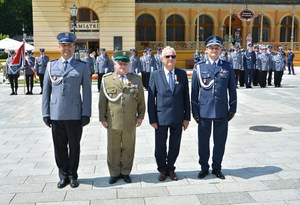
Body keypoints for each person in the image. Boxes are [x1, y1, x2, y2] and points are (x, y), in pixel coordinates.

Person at [42, 32, 92, 189]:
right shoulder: (51, 66)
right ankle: (63, 175)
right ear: (59, 47)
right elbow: (46, 92)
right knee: (59, 147)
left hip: (75, 114)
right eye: (63, 45)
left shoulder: (82, 66)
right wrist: (45, 113)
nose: (66, 48)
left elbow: (87, 92)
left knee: (74, 146)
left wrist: (86, 113)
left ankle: (73, 175)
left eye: (69, 45)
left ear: (74, 47)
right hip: (56, 114)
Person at [191, 35, 237, 180]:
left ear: (221, 50)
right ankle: (204, 167)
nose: (214, 51)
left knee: (220, 141)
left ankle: (217, 167)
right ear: (206, 50)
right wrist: (194, 111)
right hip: (204, 111)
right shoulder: (199, 67)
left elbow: (232, 89)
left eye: (217, 48)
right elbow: (194, 91)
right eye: (211, 48)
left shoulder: (227, 67)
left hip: (221, 110)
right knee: (203, 142)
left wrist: (233, 108)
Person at [99, 50, 145, 184]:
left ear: (129, 65)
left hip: (130, 120)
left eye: (125, 64)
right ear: (114, 64)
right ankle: (114, 173)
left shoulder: (136, 79)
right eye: (120, 64)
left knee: (128, 146)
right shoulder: (107, 79)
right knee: (113, 148)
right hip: (113, 120)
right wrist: (102, 118)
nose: (123, 66)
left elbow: (141, 100)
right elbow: (102, 101)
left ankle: (125, 172)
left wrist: (140, 116)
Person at [148, 46, 190, 181]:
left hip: (178, 117)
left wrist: (186, 117)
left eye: (173, 56)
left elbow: (186, 97)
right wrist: (152, 119)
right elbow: (151, 99)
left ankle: (171, 168)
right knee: (160, 146)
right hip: (160, 118)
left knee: (175, 144)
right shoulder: (155, 74)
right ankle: (162, 169)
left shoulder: (182, 74)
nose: (170, 59)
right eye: (167, 56)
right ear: (162, 59)